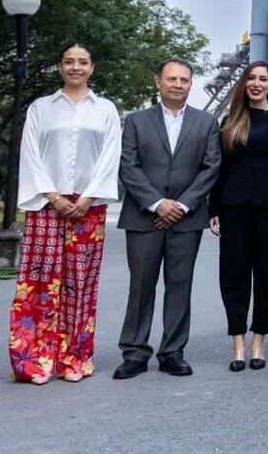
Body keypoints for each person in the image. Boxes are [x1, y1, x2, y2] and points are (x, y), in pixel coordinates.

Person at [9, 44, 121, 384]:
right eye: (69, 61)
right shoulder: (42, 108)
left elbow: (109, 155)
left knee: (80, 283)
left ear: (92, 67)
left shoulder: (105, 110)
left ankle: (74, 358)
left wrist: (88, 196)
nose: (76, 67)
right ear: (60, 67)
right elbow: (29, 153)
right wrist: (54, 196)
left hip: (88, 207)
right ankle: (34, 360)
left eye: (82, 62)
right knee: (39, 282)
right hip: (46, 203)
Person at [115, 58, 221, 379]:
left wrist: (182, 205)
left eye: (184, 80)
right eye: (171, 79)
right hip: (143, 217)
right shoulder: (136, 121)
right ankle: (134, 352)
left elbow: (211, 167)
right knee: (141, 285)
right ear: (157, 82)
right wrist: (158, 204)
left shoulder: (206, 123)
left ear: (191, 84)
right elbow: (127, 166)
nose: (178, 84)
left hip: (186, 220)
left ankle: (172, 351)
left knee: (179, 285)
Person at [209, 61, 268, 371]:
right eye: (251, 79)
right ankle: (238, 343)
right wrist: (214, 208)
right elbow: (220, 168)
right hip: (234, 206)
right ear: (244, 84)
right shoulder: (230, 119)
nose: (256, 83)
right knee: (233, 275)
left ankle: (259, 339)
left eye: (263, 79)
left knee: (265, 275)